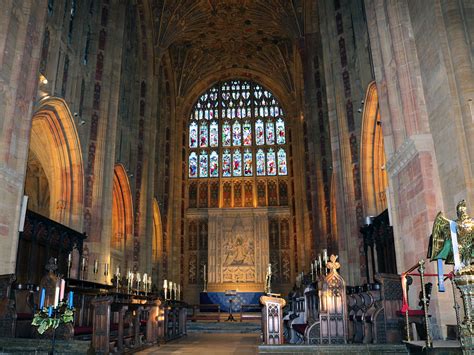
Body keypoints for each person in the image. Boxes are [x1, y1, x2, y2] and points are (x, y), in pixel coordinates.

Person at [429, 199, 474, 273]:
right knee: (460, 267)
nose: (462, 212)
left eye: (463, 210)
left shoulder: (471, 222)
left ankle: (466, 267)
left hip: (469, 246)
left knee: (468, 264)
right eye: (460, 210)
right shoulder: (453, 224)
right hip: (459, 247)